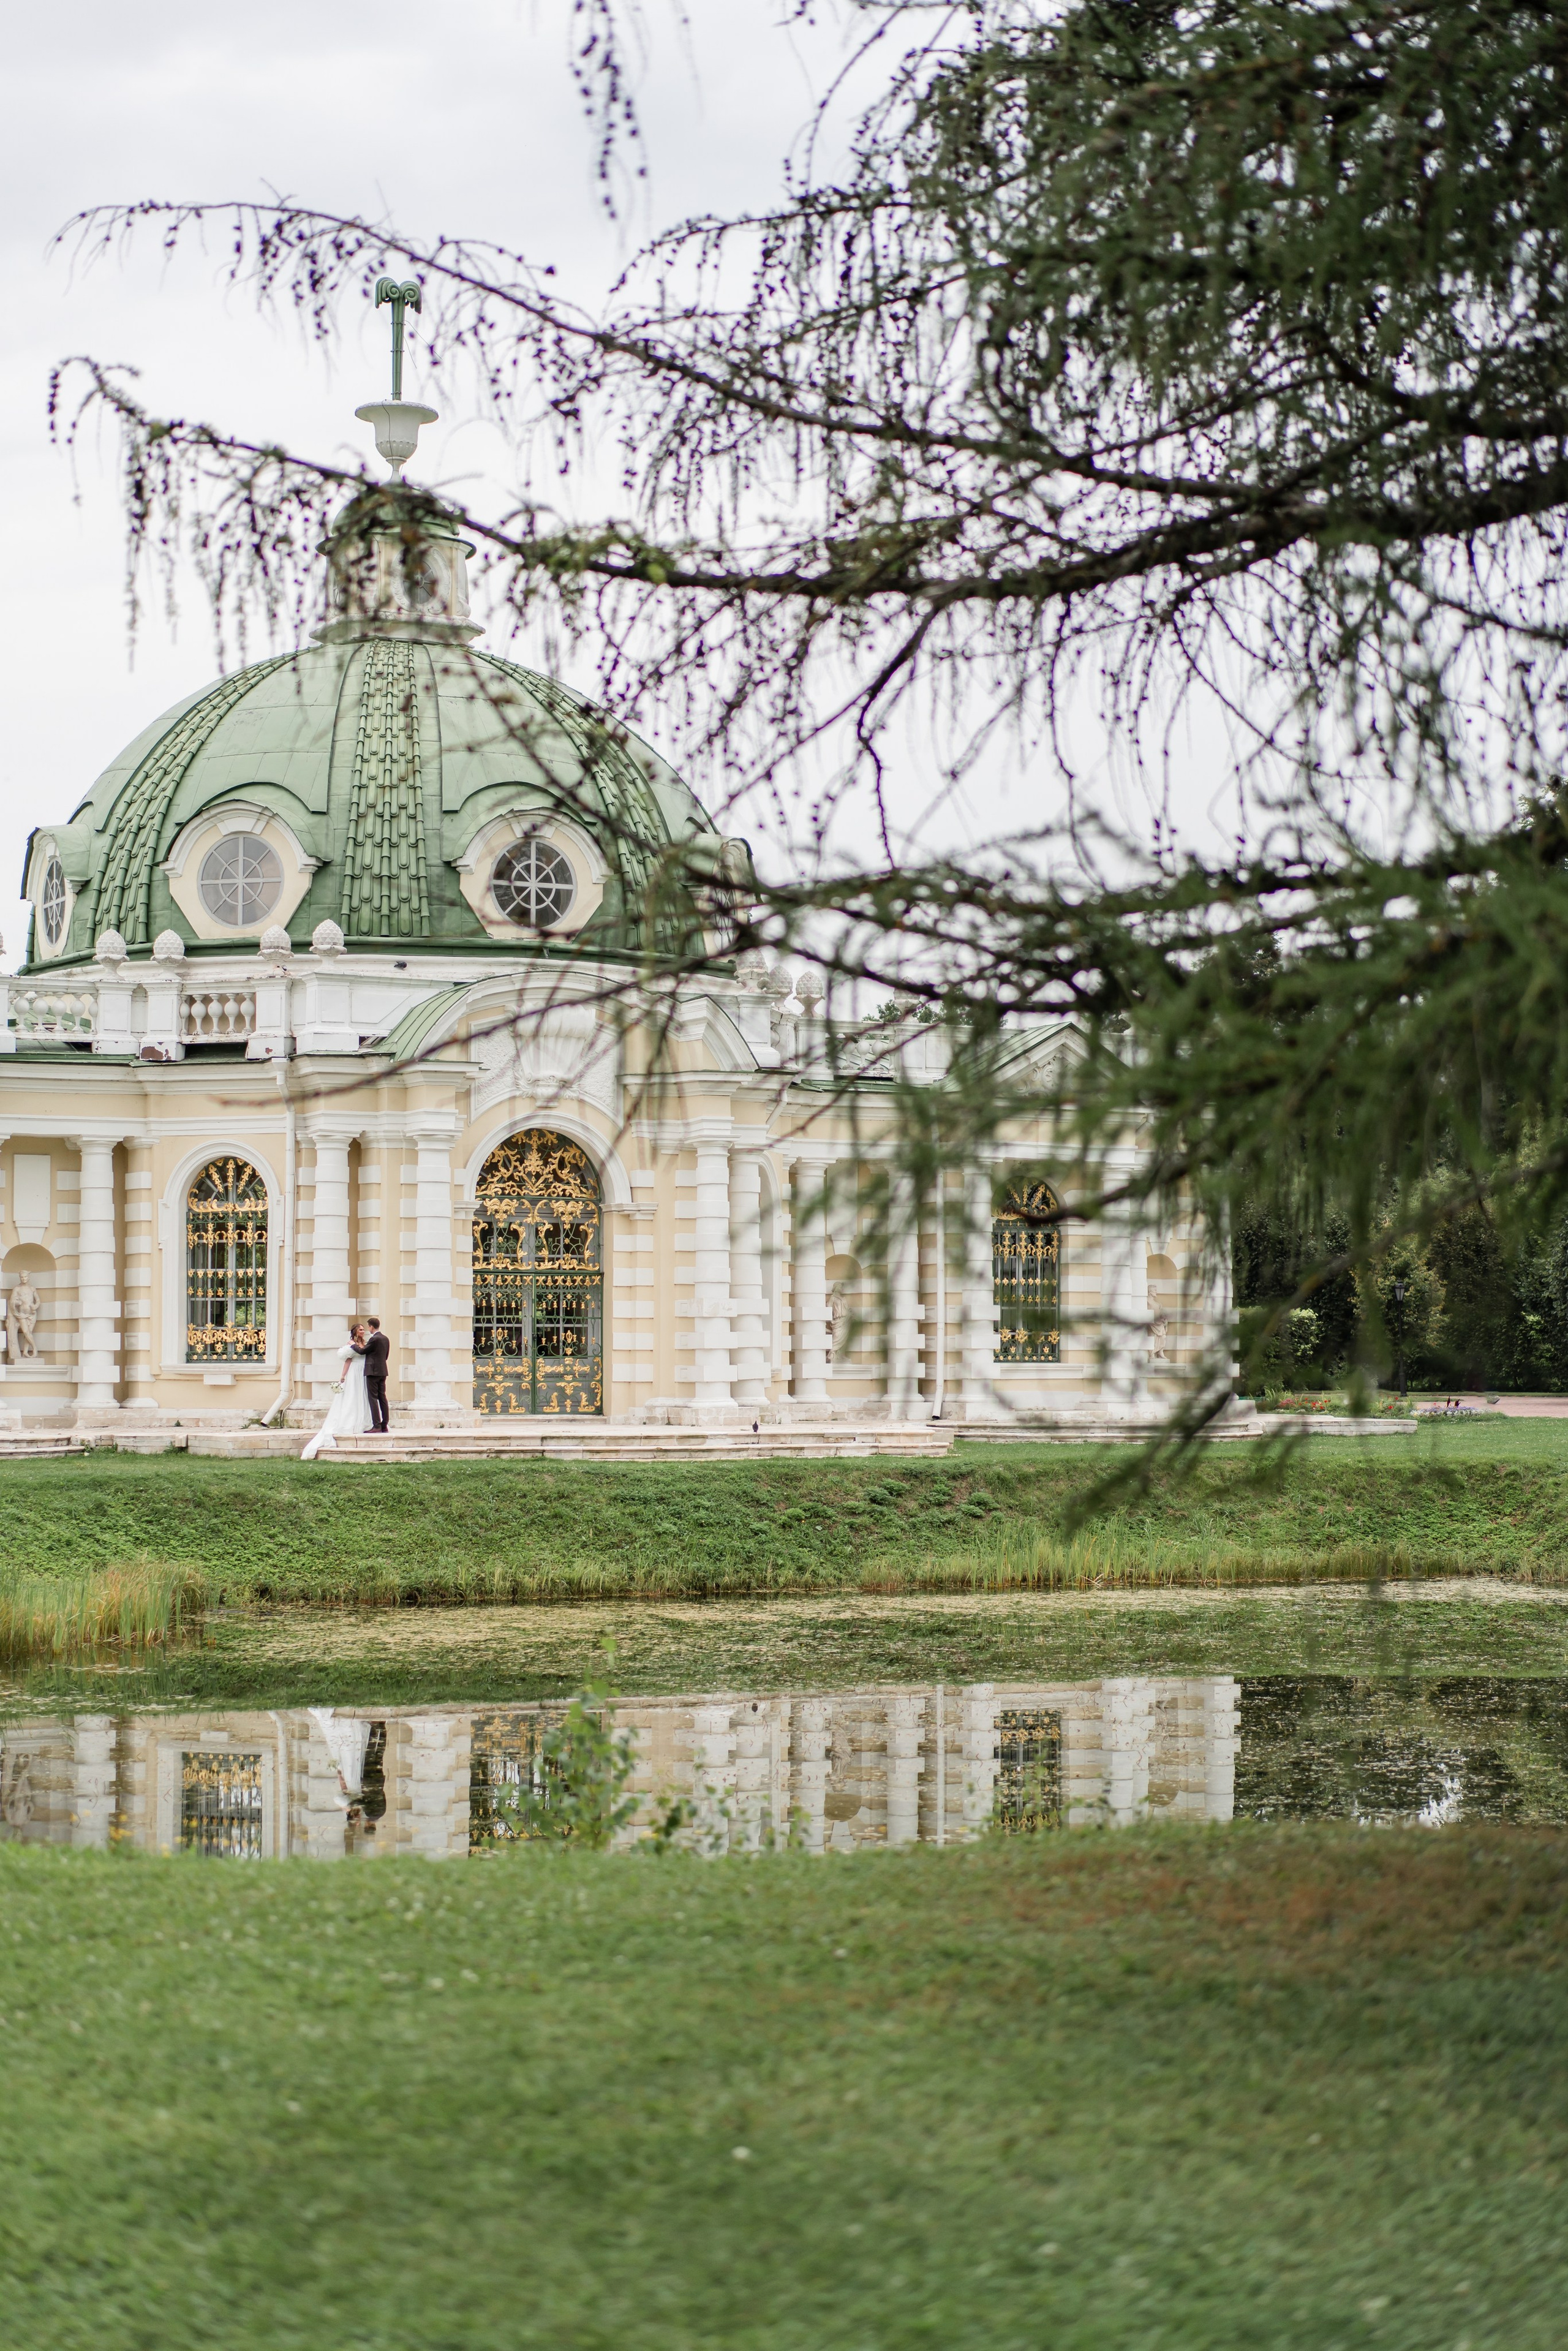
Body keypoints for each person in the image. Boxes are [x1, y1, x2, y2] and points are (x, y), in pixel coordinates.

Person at [300, 1321, 374, 1460]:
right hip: (354, 1372)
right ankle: (350, 1422)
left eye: (364, 1330)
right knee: (353, 1396)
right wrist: (343, 1376)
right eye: (361, 1330)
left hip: (364, 1372)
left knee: (364, 1396)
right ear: (355, 1332)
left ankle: (365, 1421)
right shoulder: (350, 1344)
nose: (363, 1332)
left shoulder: (366, 1343)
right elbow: (348, 1361)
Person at [361, 1314, 390, 1432]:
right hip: (383, 1371)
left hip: (373, 1372)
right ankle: (385, 1425)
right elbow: (386, 1356)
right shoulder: (385, 1339)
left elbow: (363, 1351)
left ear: (371, 1327)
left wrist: (353, 1346)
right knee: (382, 1397)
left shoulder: (374, 1339)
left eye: (368, 1327)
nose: (368, 1329)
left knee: (373, 1398)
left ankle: (377, 1425)